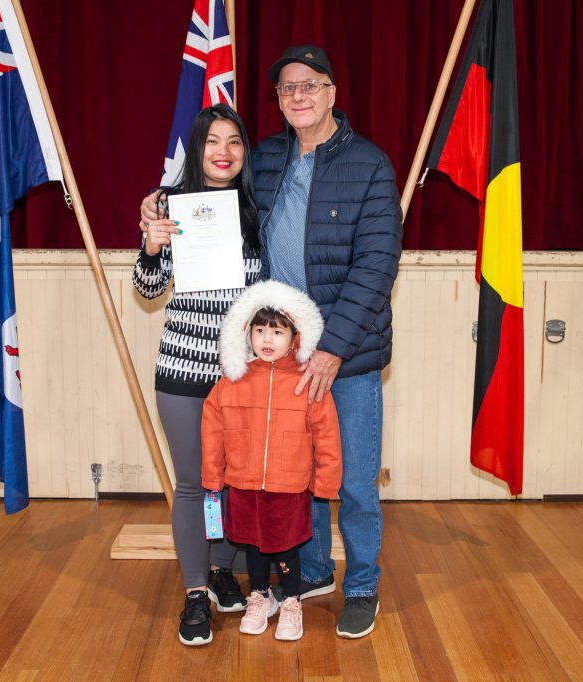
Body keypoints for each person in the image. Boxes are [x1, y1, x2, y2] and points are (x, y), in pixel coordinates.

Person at [141, 45, 402, 639]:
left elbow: (376, 265)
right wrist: (157, 208)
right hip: (279, 358)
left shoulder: (370, 164)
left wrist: (332, 347)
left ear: (332, 92)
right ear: (279, 102)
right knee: (293, 474)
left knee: (354, 480)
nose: (299, 96)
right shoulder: (269, 157)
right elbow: (208, 185)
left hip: (347, 354)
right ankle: (308, 574)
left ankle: (360, 584)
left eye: (310, 85)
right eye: (287, 89)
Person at [132, 103, 262, 647]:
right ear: (198, 147)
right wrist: (152, 246)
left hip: (243, 377)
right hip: (183, 371)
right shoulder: (166, 204)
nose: (224, 152)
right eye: (213, 141)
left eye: (234, 142)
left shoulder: (259, 208)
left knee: (233, 486)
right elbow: (146, 291)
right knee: (194, 485)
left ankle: (220, 569)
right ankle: (193, 594)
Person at [200, 280, 342, 641]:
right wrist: (213, 477)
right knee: (253, 545)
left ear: (295, 336)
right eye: (260, 330)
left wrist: (324, 482)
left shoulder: (307, 382)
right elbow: (213, 430)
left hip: (289, 485)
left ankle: (291, 601)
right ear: (246, 334)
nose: (267, 339)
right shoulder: (231, 382)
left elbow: (326, 434)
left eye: (277, 331)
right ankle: (259, 597)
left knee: (286, 546)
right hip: (244, 483)